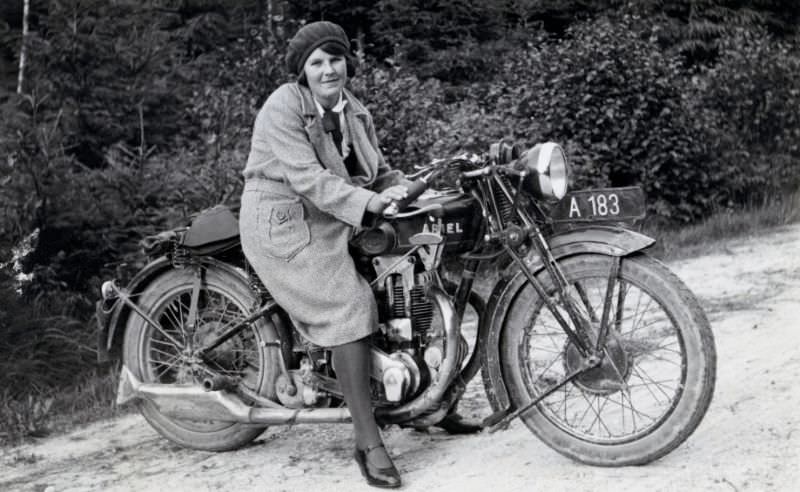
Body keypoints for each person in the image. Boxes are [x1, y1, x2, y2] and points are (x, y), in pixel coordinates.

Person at [238, 21, 408, 488]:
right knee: (349, 304)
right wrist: (369, 203)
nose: (328, 69)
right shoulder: (283, 106)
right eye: (317, 62)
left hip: (332, 211)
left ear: (347, 63)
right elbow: (307, 178)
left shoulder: (354, 109)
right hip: (283, 218)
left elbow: (375, 169)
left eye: (335, 59)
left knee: (405, 275)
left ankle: (430, 401)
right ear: (302, 72)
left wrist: (405, 186)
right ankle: (366, 440)